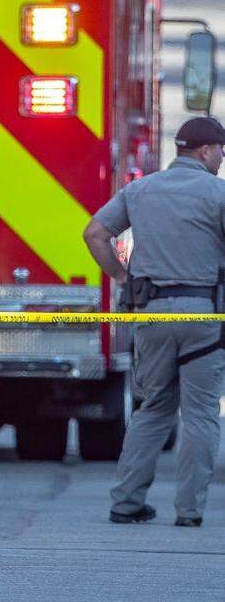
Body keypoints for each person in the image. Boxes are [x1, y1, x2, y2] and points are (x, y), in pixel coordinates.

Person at [83, 116, 225, 528]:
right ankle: (190, 510)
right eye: (220, 152)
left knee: (153, 409)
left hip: (153, 313)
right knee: (199, 412)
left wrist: (122, 277)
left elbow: (94, 234)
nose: (221, 160)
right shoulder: (217, 194)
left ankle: (127, 503)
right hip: (204, 317)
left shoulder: (140, 189)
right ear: (205, 151)